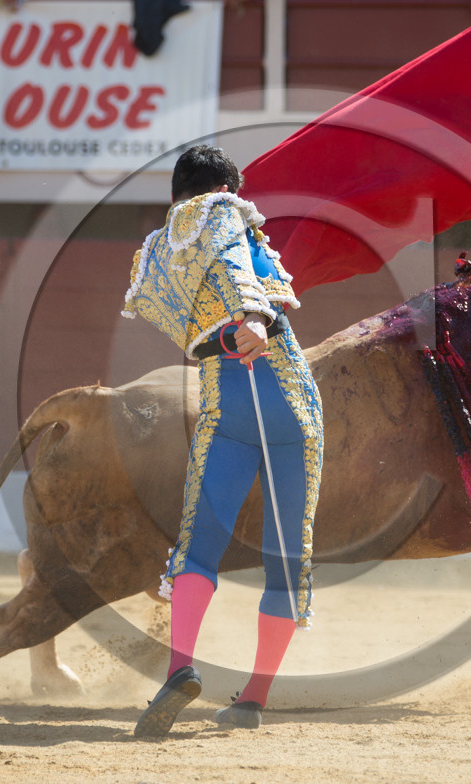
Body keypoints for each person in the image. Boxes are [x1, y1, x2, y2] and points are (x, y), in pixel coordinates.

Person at [122, 145, 323, 736]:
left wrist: (228, 324)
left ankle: (179, 667)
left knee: (199, 543)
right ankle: (252, 700)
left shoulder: (155, 251)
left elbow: (175, 318)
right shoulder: (226, 216)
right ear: (227, 190)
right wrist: (255, 317)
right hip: (286, 392)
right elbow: (239, 264)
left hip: (223, 397)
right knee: (288, 556)